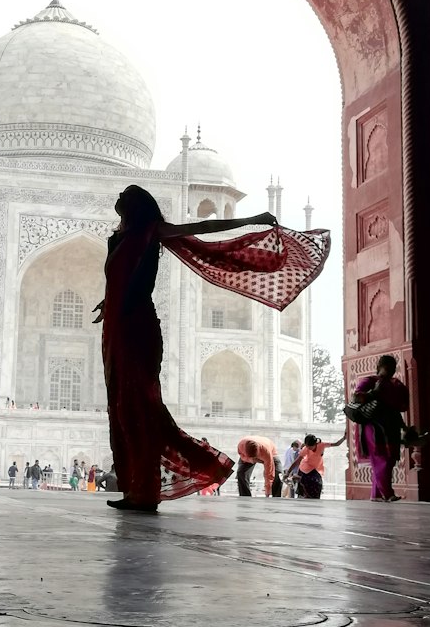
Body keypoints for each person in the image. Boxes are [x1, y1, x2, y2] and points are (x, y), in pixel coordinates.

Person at [94, 184, 329, 513]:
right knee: (122, 410)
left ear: (137, 205)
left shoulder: (153, 230)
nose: (118, 197)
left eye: (126, 194)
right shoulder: (116, 238)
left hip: (139, 328)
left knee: (142, 410)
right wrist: (108, 303)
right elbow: (119, 280)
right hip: (116, 328)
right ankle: (134, 486)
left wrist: (253, 220)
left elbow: (204, 229)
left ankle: (150, 490)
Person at [351, 353, 418, 501]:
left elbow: (399, 408)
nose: (391, 370)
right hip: (374, 427)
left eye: (393, 367)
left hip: (391, 426)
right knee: (382, 458)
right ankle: (388, 494)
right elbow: (356, 398)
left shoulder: (396, 385)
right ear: (380, 367)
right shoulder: (369, 381)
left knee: (389, 459)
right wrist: (374, 392)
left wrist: (404, 427)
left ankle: (376, 495)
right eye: (389, 367)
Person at [285, 430, 347, 499]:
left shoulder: (321, 445)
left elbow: (336, 444)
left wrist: (344, 438)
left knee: (318, 484)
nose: (308, 448)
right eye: (307, 446)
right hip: (304, 468)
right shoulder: (305, 449)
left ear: (315, 444)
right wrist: (288, 472)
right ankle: (298, 479)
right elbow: (297, 461)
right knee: (303, 490)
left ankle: (298, 478)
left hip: (315, 469)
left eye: (310, 447)